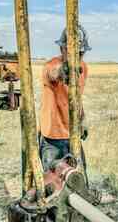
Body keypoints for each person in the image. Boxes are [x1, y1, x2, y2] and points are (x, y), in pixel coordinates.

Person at [39, 25, 91, 173]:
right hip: (52, 138)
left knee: (80, 180)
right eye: (72, 53)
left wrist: (82, 120)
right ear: (62, 49)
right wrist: (64, 70)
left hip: (72, 135)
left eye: (80, 54)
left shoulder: (83, 68)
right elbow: (54, 73)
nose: (77, 58)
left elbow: (77, 98)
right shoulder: (51, 66)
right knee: (53, 182)